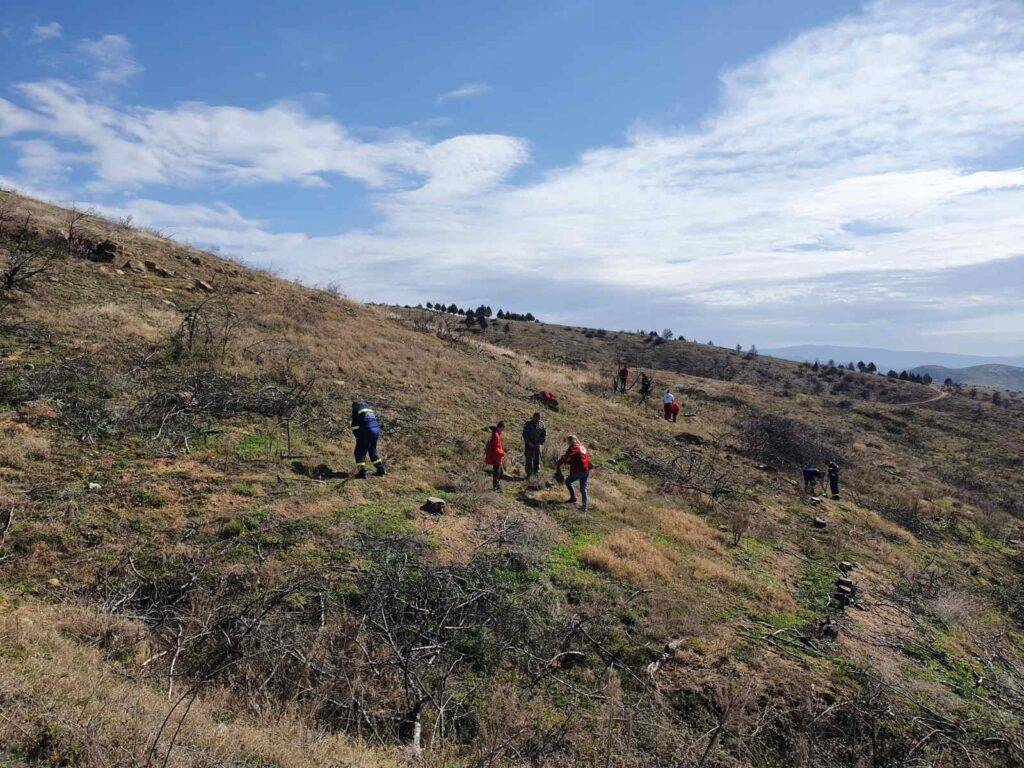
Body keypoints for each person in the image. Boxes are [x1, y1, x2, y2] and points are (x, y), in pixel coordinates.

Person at [556, 434, 592, 511]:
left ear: (574, 440)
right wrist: (567, 462)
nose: (569, 442)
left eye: (570, 441)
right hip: (586, 470)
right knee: (583, 488)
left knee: (568, 481)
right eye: (569, 441)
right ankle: (584, 506)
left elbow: (567, 456)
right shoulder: (581, 447)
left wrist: (559, 462)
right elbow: (579, 458)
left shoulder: (574, 447)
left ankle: (573, 498)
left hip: (580, 470)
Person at [351, 400, 385, 479]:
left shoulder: (356, 408)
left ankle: (362, 473)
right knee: (372, 450)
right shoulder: (368, 408)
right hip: (376, 430)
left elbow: (355, 425)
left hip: (367, 430)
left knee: (359, 452)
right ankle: (381, 469)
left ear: (354, 405)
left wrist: (357, 436)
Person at [522, 412, 546, 477]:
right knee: (529, 460)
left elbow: (544, 435)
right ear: (534, 417)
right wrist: (528, 442)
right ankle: (528, 474)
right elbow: (524, 434)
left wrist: (540, 443)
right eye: (537, 417)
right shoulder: (528, 424)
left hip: (537, 446)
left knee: (537, 460)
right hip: (529, 446)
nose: (538, 419)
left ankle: (536, 474)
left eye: (539, 417)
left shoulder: (541, 424)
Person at [485, 421, 506, 490]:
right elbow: (495, 448)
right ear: (500, 427)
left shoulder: (497, 434)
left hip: (497, 457)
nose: (502, 430)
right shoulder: (496, 435)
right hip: (495, 457)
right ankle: (496, 487)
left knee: (500, 472)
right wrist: (502, 453)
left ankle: (497, 486)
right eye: (502, 428)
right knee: (497, 472)